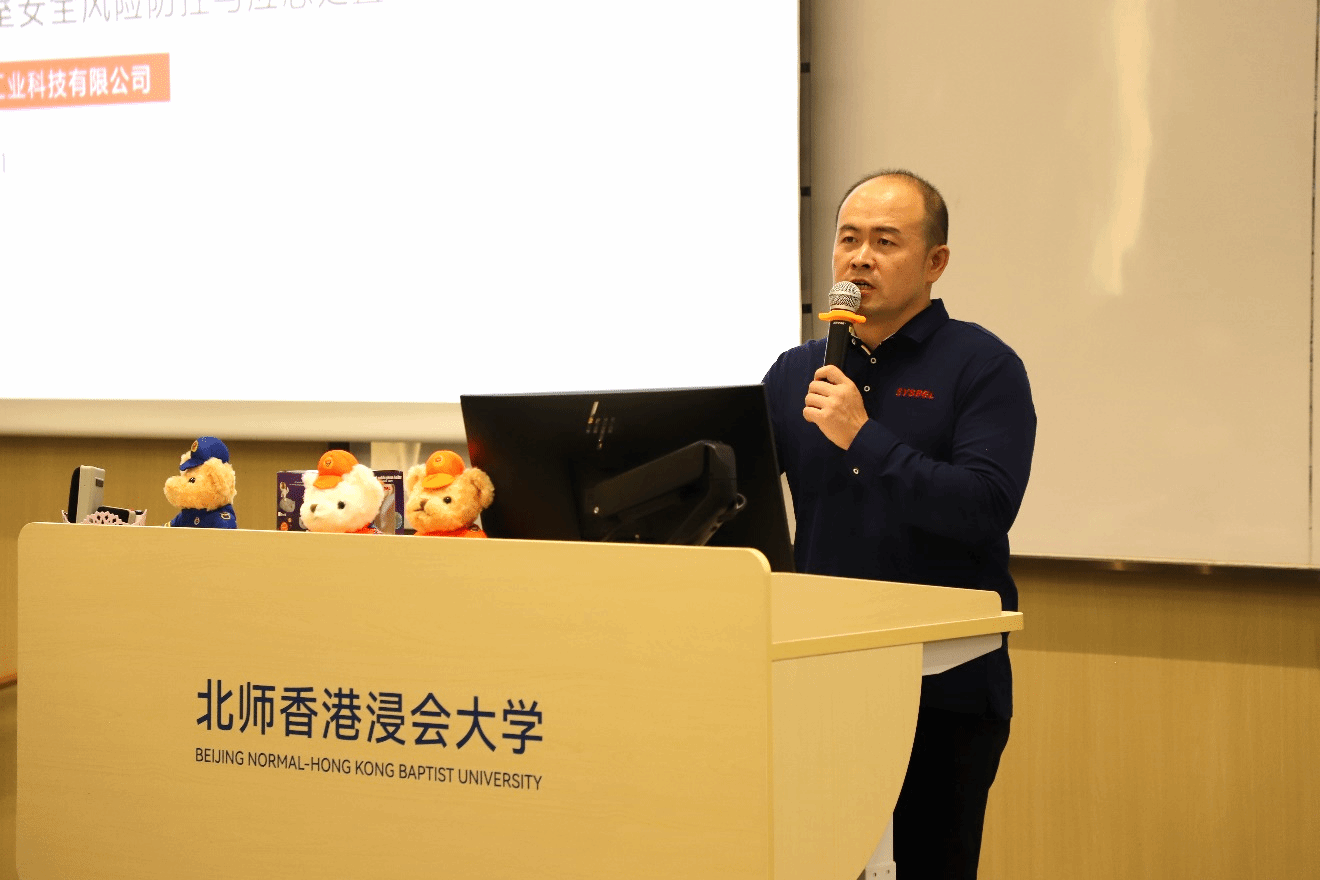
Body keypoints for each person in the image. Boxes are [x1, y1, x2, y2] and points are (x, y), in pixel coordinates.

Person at [762, 170, 1036, 880]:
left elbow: (983, 506)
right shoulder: (796, 373)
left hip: (941, 691)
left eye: (886, 242)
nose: (860, 259)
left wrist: (864, 437)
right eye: (848, 239)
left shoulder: (983, 367)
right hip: (819, 678)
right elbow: (736, 500)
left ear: (935, 262)